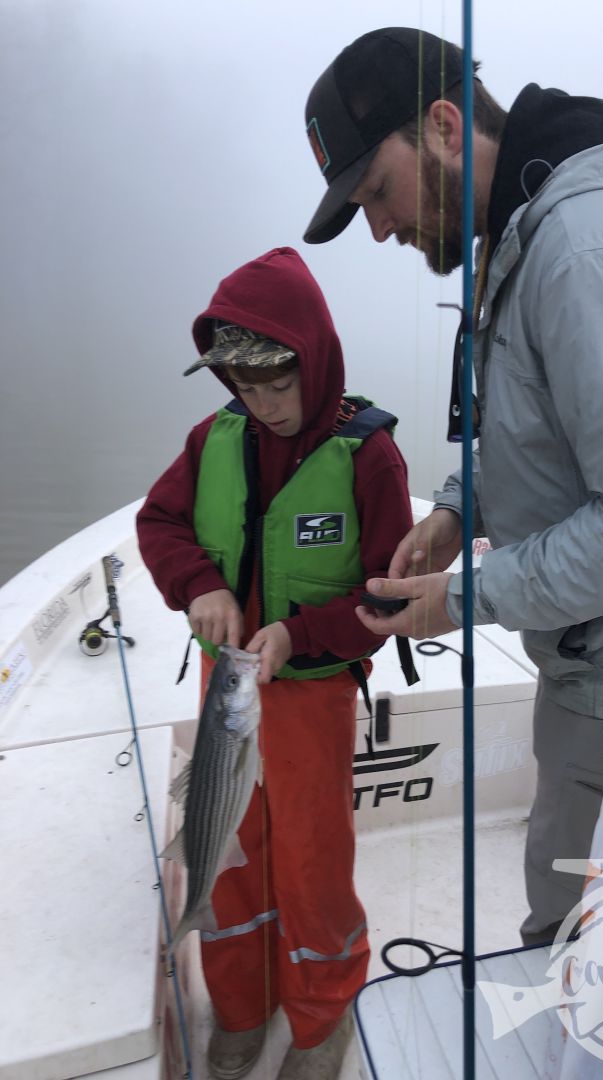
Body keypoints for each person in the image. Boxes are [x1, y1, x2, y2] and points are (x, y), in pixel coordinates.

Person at [302, 28, 603, 944]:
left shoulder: (593, 249)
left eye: (376, 192)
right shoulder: (532, 230)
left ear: (443, 125)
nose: (380, 226)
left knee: (601, 948)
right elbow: (552, 434)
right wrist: (456, 510)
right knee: (577, 924)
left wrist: (463, 597)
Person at [136, 247, 413, 1079]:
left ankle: (322, 1019)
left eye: (277, 386)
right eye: (245, 390)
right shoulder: (212, 439)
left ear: (315, 357)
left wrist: (299, 634)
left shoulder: (371, 457)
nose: (263, 406)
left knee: (311, 862)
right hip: (229, 688)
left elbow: (390, 599)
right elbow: (161, 524)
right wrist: (197, 590)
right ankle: (242, 1009)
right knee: (228, 861)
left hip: (309, 694)